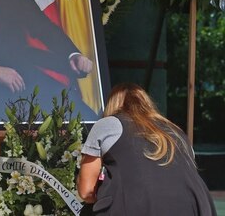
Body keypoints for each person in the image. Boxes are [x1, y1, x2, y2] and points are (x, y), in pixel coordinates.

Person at [78, 83, 217, 215]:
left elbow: (86, 191)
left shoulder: (108, 124)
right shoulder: (176, 131)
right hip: (194, 206)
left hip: (134, 207)